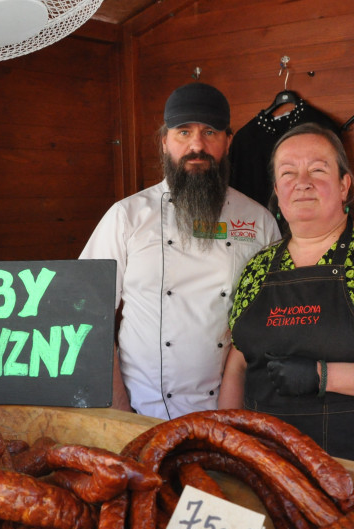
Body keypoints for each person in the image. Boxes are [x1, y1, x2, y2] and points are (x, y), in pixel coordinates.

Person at [218, 122, 354, 473]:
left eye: (317, 170)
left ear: (343, 184)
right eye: (288, 173)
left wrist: (323, 376)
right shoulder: (257, 268)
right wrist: (226, 441)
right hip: (271, 469)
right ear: (277, 189)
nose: (302, 182)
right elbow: (238, 364)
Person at [79, 83, 280, 420]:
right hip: (141, 413)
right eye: (183, 132)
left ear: (228, 141)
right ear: (164, 142)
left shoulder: (258, 221)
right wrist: (119, 411)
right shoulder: (127, 217)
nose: (196, 145)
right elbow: (85, 313)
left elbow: (269, 323)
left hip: (229, 414)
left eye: (210, 132)